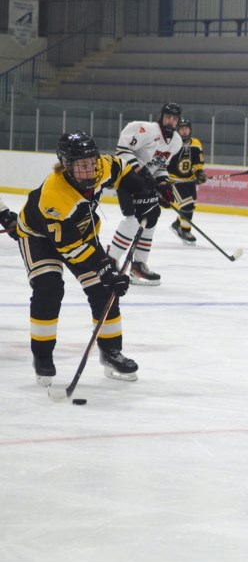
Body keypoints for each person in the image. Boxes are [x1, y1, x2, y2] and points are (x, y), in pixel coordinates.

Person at [13, 131, 150, 385]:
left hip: (80, 232)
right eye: (80, 165)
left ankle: (111, 351)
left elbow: (120, 168)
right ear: (66, 166)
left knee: (103, 288)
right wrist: (104, 267)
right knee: (49, 288)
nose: (89, 170)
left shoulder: (100, 167)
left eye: (91, 162)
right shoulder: (55, 195)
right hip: (39, 238)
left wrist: (145, 194)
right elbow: (69, 247)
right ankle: (42, 356)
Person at [108, 102, 183, 286]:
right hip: (125, 177)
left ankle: (139, 264)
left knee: (152, 216)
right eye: (168, 117)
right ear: (161, 116)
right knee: (133, 220)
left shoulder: (176, 142)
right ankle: (109, 261)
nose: (170, 121)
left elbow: (161, 165)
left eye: (174, 119)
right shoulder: (146, 130)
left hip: (144, 182)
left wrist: (163, 183)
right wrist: (141, 171)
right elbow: (123, 150)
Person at [166, 117, 207, 245]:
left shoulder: (196, 143)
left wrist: (199, 173)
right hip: (174, 181)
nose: (184, 131)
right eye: (182, 128)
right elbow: (165, 162)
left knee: (191, 204)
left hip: (189, 180)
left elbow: (197, 163)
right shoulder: (172, 143)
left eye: (186, 128)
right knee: (187, 205)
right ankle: (185, 230)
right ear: (177, 130)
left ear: (190, 130)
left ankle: (177, 223)